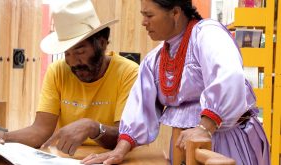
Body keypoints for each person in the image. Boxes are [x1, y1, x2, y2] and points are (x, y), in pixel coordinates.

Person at [81, 0, 270, 165]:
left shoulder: (208, 34)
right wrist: (119, 151)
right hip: (183, 146)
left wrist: (205, 127)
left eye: (149, 15)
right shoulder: (154, 60)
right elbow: (140, 108)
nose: (143, 22)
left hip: (226, 141)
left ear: (175, 12)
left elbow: (229, 76)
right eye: (142, 15)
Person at [0, 0, 138, 157]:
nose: (73, 62)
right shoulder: (57, 71)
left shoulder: (129, 73)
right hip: (68, 158)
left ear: (102, 43)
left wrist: (93, 127)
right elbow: (40, 131)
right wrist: (3, 138)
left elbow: (125, 136)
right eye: (66, 53)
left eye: (80, 52)